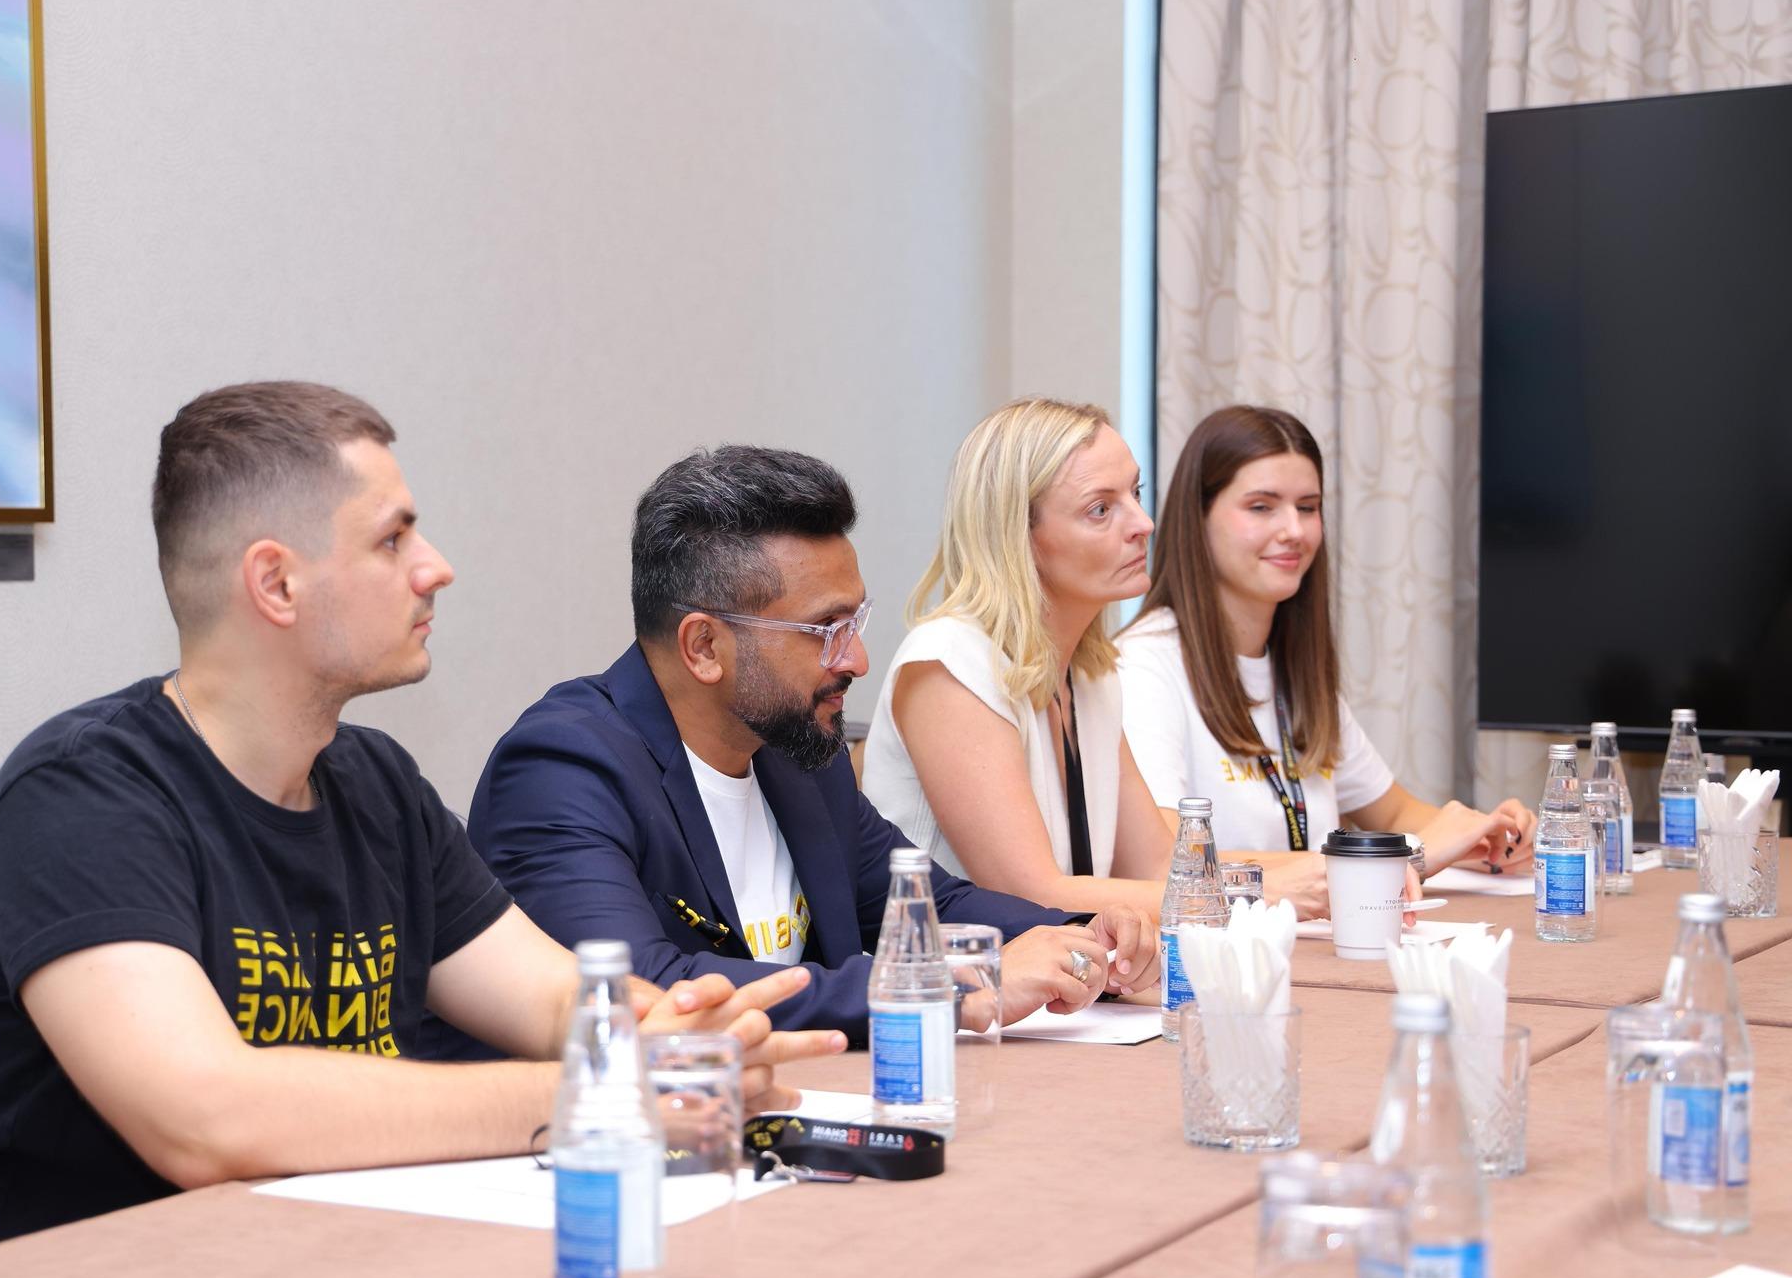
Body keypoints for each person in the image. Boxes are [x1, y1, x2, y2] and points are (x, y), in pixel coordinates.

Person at [0, 383, 839, 1271]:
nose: (436, 568)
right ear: (276, 585)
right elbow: (206, 1118)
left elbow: (554, 1002)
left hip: (294, 1272)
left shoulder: (376, 785)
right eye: (392, 540)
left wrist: (691, 1041)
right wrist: (604, 1090)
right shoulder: (82, 796)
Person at [467, 445, 1160, 1039]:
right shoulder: (563, 768)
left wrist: (1084, 935)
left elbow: (932, 905)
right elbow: (644, 988)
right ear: (703, 646)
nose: (857, 659)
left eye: (855, 622)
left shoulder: (796, 754)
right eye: (826, 630)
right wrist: (949, 987)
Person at [1115, 404, 1534, 907]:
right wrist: (1407, 854)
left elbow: (1395, 814)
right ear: (1197, 519)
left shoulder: (1292, 666)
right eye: (1262, 507)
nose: (1294, 530)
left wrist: (1487, 835)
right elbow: (1169, 860)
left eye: (1308, 507)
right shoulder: (1144, 666)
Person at [861, 398, 1177, 929]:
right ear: (1017, 537)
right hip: (945, 978)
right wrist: (1246, 899)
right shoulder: (948, 662)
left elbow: (1158, 867)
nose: (1143, 524)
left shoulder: (1091, 675)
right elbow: (1032, 896)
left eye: (1136, 493)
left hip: (1063, 971)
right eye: (1101, 509)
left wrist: (1269, 893)